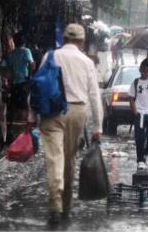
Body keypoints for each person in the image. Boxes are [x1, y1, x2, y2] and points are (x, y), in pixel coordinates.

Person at [27, 24, 103, 225]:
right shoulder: (87, 62)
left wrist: (32, 115)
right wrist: (97, 127)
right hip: (77, 112)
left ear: (64, 38)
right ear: (82, 41)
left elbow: (38, 86)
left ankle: (55, 205)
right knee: (70, 160)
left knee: (54, 159)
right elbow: (95, 96)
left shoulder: (50, 56)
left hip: (51, 112)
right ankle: (66, 205)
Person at [128, 58, 148, 170]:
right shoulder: (136, 82)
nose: (146, 73)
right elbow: (131, 98)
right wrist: (135, 111)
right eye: (144, 71)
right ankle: (140, 160)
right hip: (139, 114)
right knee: (140, 138)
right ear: (140, 70)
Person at [2, 33, 35, 121]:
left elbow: (6, 67)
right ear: (24, 42)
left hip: (14, 82)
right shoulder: (26, 51)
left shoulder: (12, 53)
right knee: (24, 104)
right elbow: (32, 65)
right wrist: (30, 76)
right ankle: (23, 124)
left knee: (15, 104)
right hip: (24, 81)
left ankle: (15, 123)